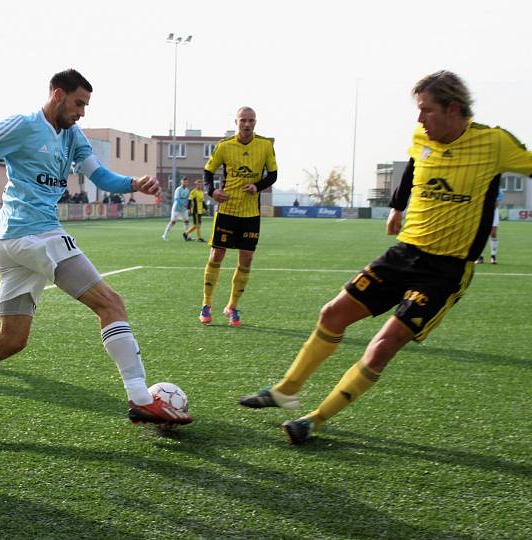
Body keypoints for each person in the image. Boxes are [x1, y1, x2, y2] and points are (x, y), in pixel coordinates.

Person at [239, 70, 532, 445]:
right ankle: (285, 390)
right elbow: (413, 165)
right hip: (404, 252)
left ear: (453, 108)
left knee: (382, 344)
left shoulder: (494, 143)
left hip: (445, 269)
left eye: (426, 110)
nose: (419, 119)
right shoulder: (420, 137)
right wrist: (397, 207)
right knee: (332, 314)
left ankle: (315, 419)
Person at [0, 68, 192, 434]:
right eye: (79, 103)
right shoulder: (24, 126)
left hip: (14, 242)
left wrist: (133, 183)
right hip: (34, 234)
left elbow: (100, 176)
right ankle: (140, 398)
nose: (82, 112)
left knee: (12, 339)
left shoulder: (72, 135)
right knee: (111, 304)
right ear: (58, 94)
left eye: (86, 105)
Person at [199, 107, 277, 327]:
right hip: (227, 211)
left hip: (251, 213)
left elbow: (273, 174)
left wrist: (258, 186)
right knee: (217, 255)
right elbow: (208, 172)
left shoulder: (265, 146)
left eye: (251, 120)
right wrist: (212, 192)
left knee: (247, 259)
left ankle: (232, 307)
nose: (247, 124)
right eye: (243, 120)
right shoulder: (224, 146)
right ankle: (206, 304)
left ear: (255, 123)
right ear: (236, 122)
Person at [476, 188, 503, 264]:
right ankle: (480, 257)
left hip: (493, 212)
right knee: (480, 234)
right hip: (480, 211)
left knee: (493, 233)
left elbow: (496, 203)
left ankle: (493, 256)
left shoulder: (497, 187)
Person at [162, 177, 192, 241]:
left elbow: (187, 198)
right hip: (176, 208)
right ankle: (165, 235)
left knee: (186, 222)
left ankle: (187, 236)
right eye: (184, 182)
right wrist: (183, 204)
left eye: (186, 182)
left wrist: (188, 206)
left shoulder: (187, 190)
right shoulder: (178, 189)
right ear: (181, 182)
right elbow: (177, 199)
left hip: (183, 209)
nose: (185, 183)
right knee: (173, 222)